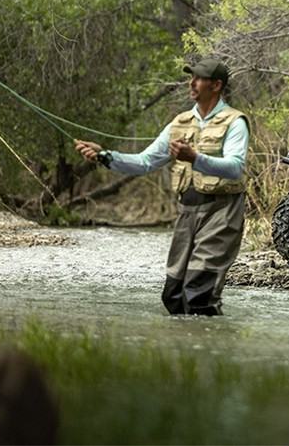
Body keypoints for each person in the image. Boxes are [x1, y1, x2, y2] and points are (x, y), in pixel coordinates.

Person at [75, 58, 249, 316]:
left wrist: (195, 158)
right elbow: (145, 162)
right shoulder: (178, 123)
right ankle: (184, 352)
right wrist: (105, 156)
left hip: (221, 214)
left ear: (216, 85)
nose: (191, 82)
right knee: (173, 296)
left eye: (198, 78)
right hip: (187, 213)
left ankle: (211, 351)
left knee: (199, 294)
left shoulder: (235, 122)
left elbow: (235, 167)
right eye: (191, 77)